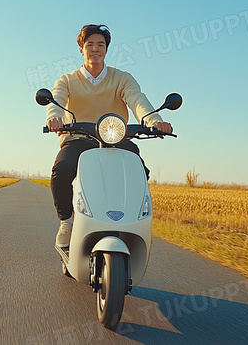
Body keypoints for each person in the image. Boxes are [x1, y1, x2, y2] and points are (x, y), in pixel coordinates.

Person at [46, 24, 173, 248]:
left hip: (116, 137)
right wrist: (54, 118)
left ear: (106, 49)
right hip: (78, 138)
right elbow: (55, 99)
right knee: (62, 169)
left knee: (139, 171)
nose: (95, 49)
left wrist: (154, 121)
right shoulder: (67, 80)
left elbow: (137, 100)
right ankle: (66, 222)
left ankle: (130, 223)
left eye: (100, 45)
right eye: (90, 45)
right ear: (81, 49)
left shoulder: (122, 78)